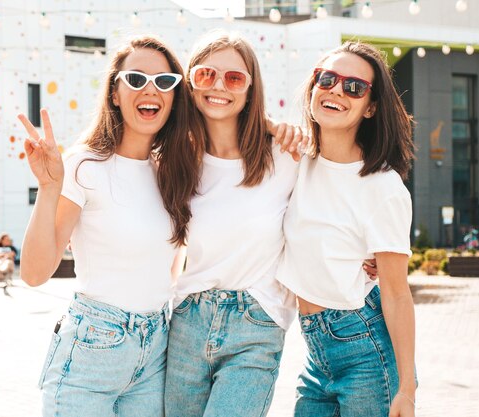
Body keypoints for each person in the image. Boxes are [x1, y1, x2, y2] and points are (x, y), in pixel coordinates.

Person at [17, 35, 204, 417]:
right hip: (92, 350)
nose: (149, 90)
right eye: (135, 79)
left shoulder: (172, 172)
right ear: (115, 93)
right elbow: (35, 273)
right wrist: (49, 187)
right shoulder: (83, 165)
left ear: (174, 97)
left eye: (164, 82)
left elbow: (169, 269)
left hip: (155, 350)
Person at [164, 31, 311, 417]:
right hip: (187, 322)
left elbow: (331, 204)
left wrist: (370, 253)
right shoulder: (173, 161)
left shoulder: (285, 154)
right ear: (190, 83)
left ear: (250, 88)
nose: (218, 86)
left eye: (234, 78)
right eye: (206, 74)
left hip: (255, 321)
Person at [277, 41, 417, 417]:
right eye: (328, 78)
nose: (337, 90)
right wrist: (277, 126)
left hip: (364, 347)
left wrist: (407, 387)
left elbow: (397, 293)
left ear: (370, 107)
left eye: (354, 87)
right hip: (315, 352)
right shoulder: (296, 161)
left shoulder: (382, 187)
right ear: (313, 87)